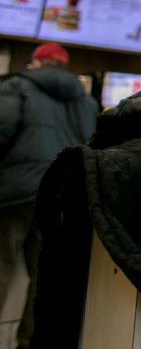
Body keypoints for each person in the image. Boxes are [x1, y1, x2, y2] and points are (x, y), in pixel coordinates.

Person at [0, 42, 97, 348]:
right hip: (59, 195)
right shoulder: (85, 99)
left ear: (37, 63)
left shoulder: (17, 87)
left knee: (1, 266)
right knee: (45, 278)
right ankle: (29, 342)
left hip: (15, 195)